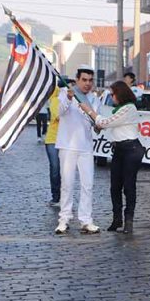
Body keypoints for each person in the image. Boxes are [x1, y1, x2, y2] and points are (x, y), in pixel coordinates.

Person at [80, 81, 144, 234]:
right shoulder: (118, 109)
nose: (112, 97)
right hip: (119, 150)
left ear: (120, 94)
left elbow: (106, 122)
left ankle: (128, 220)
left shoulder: (129, 108)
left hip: (131, 149)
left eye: (113, 94)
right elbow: (106, 125)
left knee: (129, 186)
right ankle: (117, 219)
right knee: (115, 187)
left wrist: (89, 111)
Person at [55, 65, 101, 234]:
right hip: (67, 146)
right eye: (84, 80)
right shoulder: (65, 93)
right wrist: (68, 98)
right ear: (77, 80)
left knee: (87, 185)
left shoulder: (95, 99)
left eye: (90, 80)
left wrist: (99, 126)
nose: (87, 83)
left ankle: (86, 220)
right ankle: (64, 219)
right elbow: (59, 112)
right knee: (67, 184)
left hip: (86, 147)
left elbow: (97, 123)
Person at [44, 85, 63, 207]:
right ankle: (56, 197)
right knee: (55, 169)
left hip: (66, 140)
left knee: (64, 170)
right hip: (53, 140)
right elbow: (58, 116)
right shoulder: (55, 100)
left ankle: (63, 196)